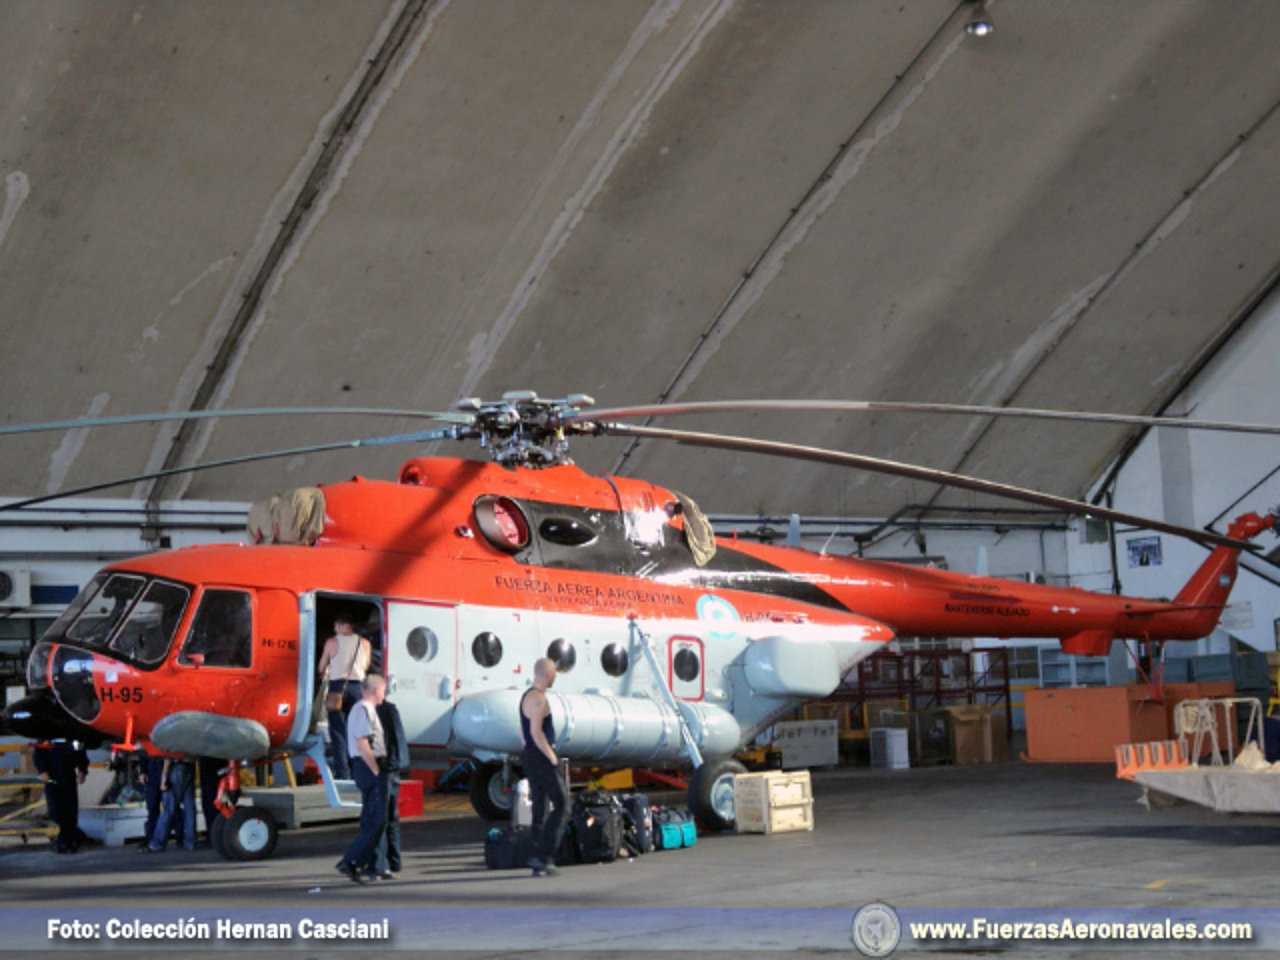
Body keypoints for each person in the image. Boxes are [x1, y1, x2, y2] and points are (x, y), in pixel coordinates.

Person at [335, 674, 388, 883]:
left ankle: (357, 862)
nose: (385, 694)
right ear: (375, 690)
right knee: (377, 820)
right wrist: (375, 770)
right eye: (383, 690)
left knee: (371, 818)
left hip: (366, 766)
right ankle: (350, 861)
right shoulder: (363, 710)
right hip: (367, 766)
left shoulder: (366, 710)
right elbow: (362, 744)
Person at [521, 657, 566, 877]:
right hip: (540, 757)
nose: (555, 677)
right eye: (555, 673)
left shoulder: (526, 697)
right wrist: (551, 756)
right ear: (548, 675)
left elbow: (524, 733)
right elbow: (535, 732)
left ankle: (536, 857)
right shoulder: (538, 699)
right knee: (561, 803)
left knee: (539, 807)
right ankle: (545, 856)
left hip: (530, 756)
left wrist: (529, 750)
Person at [317, 613, 372, 780]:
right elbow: (366, 665)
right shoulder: (364, 643)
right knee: (356, 733)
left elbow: (321, 667)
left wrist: (327, 671)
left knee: (338, 733)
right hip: (358, 689)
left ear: (340, 625)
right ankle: (358, 772)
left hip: (337, 689)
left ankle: (343, 775)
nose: (334, 629)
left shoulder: (332, 642)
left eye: (335, 626)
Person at [371, 689, 408, 879]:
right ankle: (395, 860)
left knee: (381, 818)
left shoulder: (372, 712)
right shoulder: (391, 709)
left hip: (384, 767)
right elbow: (398, 736)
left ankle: (381, 863)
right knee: (392, 817)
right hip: (393, 767)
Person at [33, 739, 89, 853]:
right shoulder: (46, 737)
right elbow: (38, 754)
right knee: (55, 810)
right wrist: (42, 771)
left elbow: (81, 753)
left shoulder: (74, 738)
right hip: (52, 778)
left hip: (68, 776)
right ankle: (68, 837)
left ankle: (68, 840)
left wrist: (82, 771)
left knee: (70, 809)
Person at [144, 756, 196, 852]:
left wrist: (164, 777)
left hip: (175, 767)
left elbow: (168, 754)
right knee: (189, 809)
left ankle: (157, 843)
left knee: (167, 808)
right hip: (189, 766)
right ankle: (190, 842)